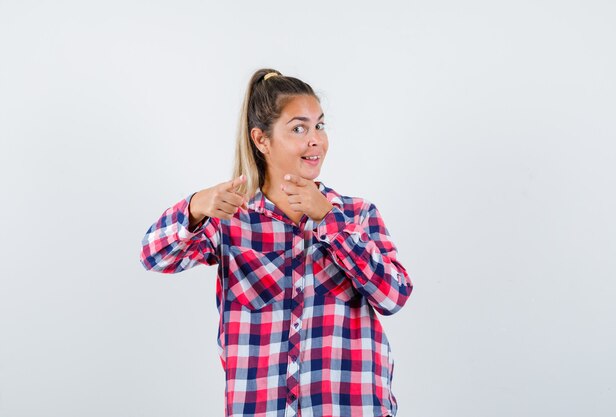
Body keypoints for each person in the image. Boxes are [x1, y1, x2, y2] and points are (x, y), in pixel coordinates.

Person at [139, 68, 413, 417]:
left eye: (320, 126)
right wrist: (194, 206)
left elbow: (394, 295)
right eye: (299, 128)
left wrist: (328, 220)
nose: (315, 140)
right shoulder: (230, 220)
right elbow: (154, 256)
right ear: (261, 140)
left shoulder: (357, 215)